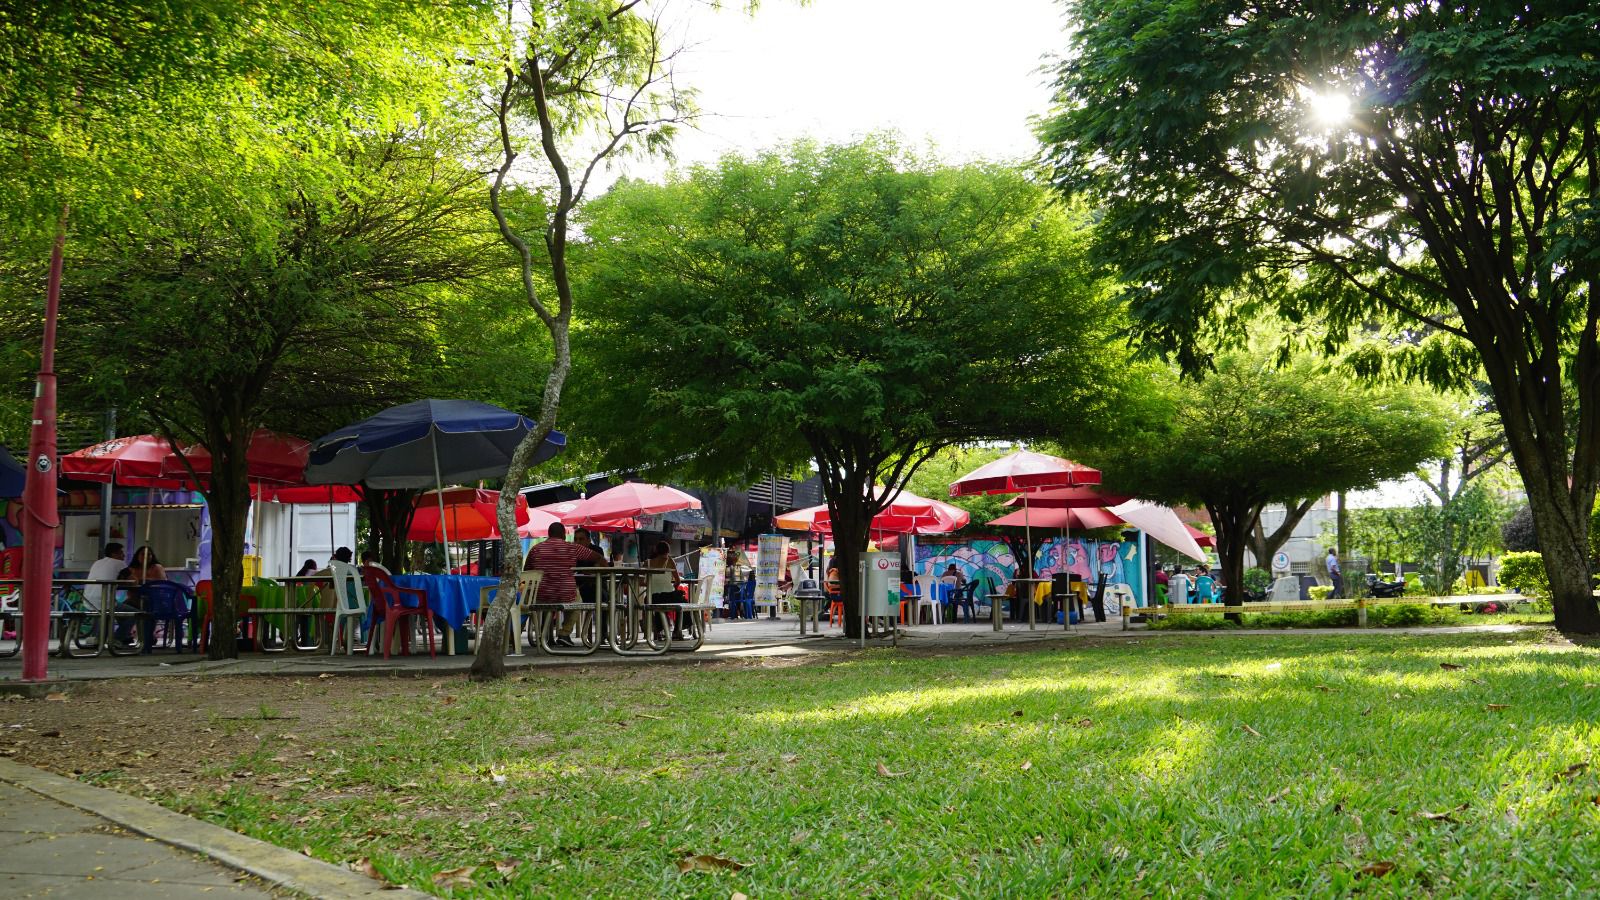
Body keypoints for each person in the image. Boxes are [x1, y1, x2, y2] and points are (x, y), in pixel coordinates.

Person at [523, 522, 603, 647]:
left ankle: (540, 635)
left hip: (540, 595)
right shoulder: (572, 547)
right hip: (564, 594)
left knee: (536, 599)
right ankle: (564, 633)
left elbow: (527, 571)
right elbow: (598, 557)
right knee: (577, 601)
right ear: (564, 535)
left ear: (548, 534)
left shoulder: (536, 549)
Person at [646, 540, 685, 641]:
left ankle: (659, 631)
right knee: (683, 602)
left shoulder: (648, 563)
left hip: (652, 597)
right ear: (668, 551)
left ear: (656, 550)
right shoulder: (670, 561)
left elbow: (642, 581)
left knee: (658, 603)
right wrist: (674, 588)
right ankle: (677, 630)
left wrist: (654, 584)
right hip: (668, 596)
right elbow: (678, 581)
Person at [84, 542, 126, 612]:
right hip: (106, 605)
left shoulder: (97, 562)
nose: (124, 555)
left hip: (88, 604)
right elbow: (134, 581)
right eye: (121, 553)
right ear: (113, 554)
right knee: (138, 615)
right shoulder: (119, 563)